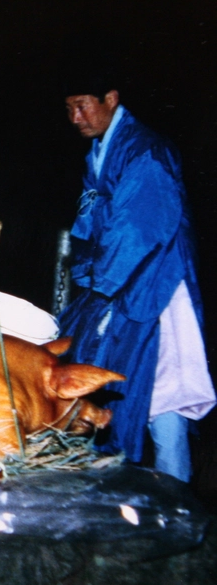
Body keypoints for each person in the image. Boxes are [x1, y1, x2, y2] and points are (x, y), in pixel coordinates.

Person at [58, 75, 214, 482]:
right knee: (133, 385)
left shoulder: (145, 151)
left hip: (153, 285)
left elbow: (137, 229)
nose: (76, 117)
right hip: (118, 281)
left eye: (83, 105)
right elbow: (92, 222)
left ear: (111, 98)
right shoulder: (101, 149)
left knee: (163, 390)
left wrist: (98, 286)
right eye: (69, 108)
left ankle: (176, 500)